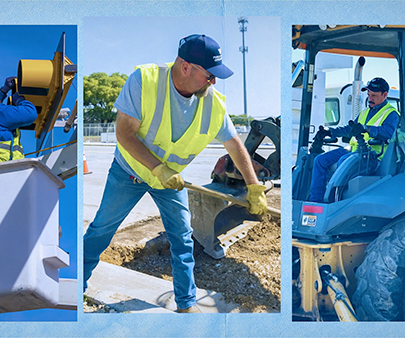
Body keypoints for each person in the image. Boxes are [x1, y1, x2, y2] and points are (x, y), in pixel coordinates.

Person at [83, 34, 269, 313]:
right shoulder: (145, 81)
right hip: (129, 173)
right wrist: (157, 168)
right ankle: (75, 290)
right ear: (185, 67)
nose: (213, 82)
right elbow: (124, 133)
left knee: (183, 239)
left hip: (170, 181)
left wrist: (253, 187)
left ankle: (186, 303)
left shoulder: (213, 103)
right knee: (101, 231)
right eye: (209, 75)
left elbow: (235, 145)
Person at [309, 77, 400, 203]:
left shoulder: (391, 114)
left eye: (374, 95)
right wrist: (330, 131)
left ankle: (335, 201)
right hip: (355, 151)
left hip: (371, 156)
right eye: (368, 94)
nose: (370, 98)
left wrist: (367, 129)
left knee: (343, 161)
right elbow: (349, 129)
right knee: (320, 160)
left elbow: (388, 132)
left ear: (385, 95)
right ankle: (316, 201)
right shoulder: (365, 112)